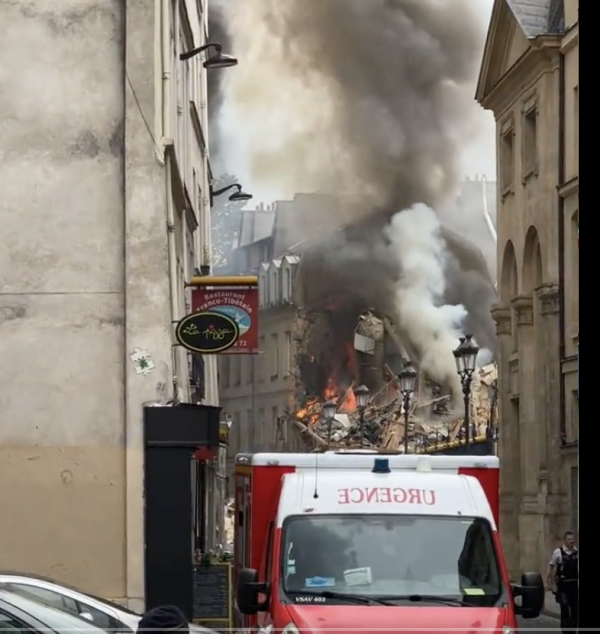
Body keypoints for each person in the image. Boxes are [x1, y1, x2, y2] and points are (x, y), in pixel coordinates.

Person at [545, 531, 578, 634]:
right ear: (564, 540)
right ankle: (565, 630)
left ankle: (572, 629)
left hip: (574, 584)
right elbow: (551, 566)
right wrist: (547, 581)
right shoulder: (558, 552)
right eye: (569, 539)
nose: (571, 541)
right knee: (564, 606)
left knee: (575, 608)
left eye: (572, 539)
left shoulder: (576, 552)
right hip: (563, 585)